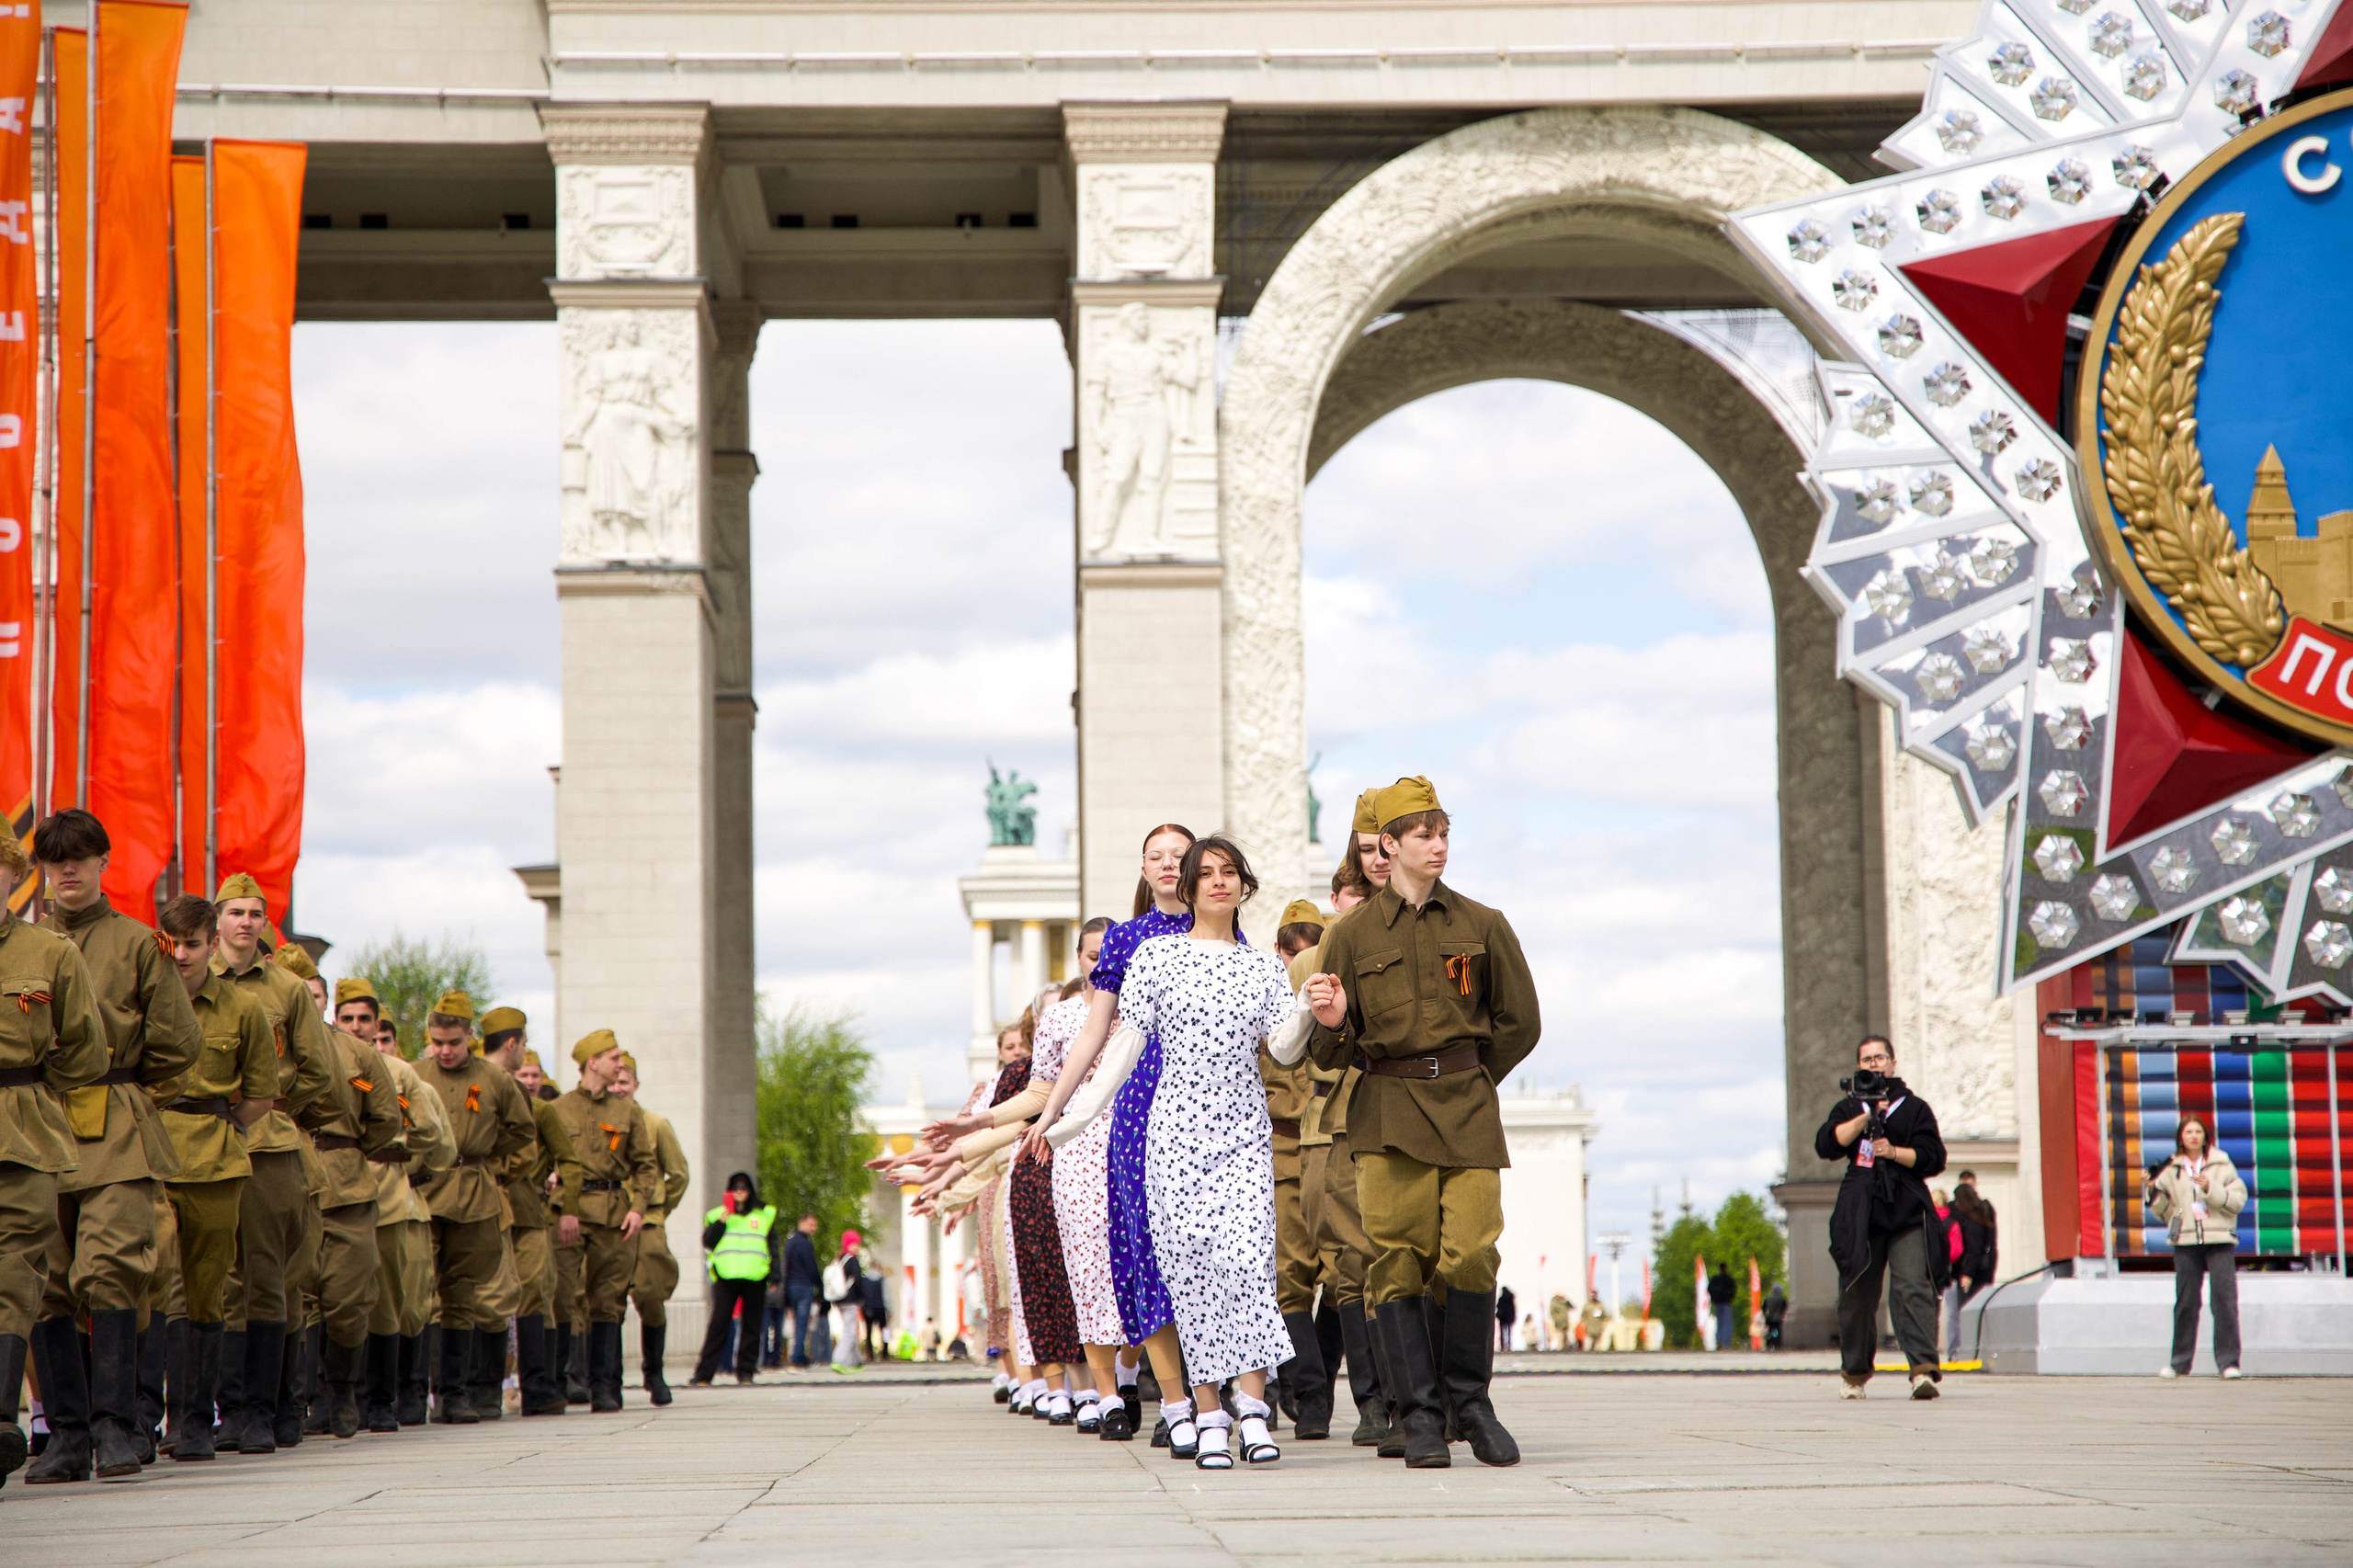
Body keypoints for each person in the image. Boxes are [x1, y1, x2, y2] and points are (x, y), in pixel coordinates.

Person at [1303, 778, 1540, 1468]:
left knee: (1471, 1250)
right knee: (1397, 1260)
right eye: (1423, 835)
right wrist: (1332, 1023)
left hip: (1466, 1108)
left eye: (1443, 834)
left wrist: (1469, 1076)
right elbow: (1328, 1050)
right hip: (1387, 1111)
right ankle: (1420, 1416)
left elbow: (1519, 1023)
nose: (1438, 846)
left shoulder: (1483, 923)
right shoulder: (1348, 936)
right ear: (1389, 845)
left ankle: (1472, 1402)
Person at [1063, 835, 1296, 1471]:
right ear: (1186, 888)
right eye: (1206, 873)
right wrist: (1077, 1113)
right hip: (1174, 1136)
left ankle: (1252, 1410)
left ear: (1243, 885)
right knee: (1189, 1270)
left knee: (1247, 1264)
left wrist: (1312, 1011)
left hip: (1243, 1131)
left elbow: (1285, 1048)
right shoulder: (1156, 957)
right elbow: (1124, 1045)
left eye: (1229, 873)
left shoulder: (1262, 964)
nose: (1218, 882)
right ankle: (1208, 1413)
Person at [24, 811, 201, 1482]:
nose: (68, 870)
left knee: (108, 1269)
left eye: (80, 858)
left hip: (117, 1122)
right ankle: (66, 1433)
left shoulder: (137, 945)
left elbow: (177, 1045)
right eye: (55, 860)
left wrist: (128, 1088)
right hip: (38, 1123)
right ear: (41, 870)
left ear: (104, 863)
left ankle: (115, 1426)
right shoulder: (21, 947)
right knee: (44, 1281)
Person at [1019, 823, 1199, 1442]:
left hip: (1205, 1112)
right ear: (1143, 869)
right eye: (1158, 855)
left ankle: (1214, 1399)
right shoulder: (1126, 940)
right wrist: (1051, 1115)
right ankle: (1173, 1405)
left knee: (1200, 1260)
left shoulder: (1223, 931)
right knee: (1145, 1259)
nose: (1171, 864)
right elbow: (1094, 1036)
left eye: (1182, 854)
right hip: (1140, 1108)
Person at [210, 872, 337, 1455]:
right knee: (210, 1281)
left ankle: (262, 1408)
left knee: (265, 1277)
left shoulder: (286, 988)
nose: (244, 922)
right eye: (234, 912)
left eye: (254, 914)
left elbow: (318, 1071)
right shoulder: (188, 978)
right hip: (201, 1138)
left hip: (268, 1142)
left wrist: (276, 1105)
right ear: (217, 920)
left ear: (264, 923)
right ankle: (218, 1410)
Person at [0, 830, 108, 1488]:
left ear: (12, 877)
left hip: (22, 1131)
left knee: (16, 1275)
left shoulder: (50, 953)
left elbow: (86, 1053)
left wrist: (34, 1088)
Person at [268, 942, 404, 1440]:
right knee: (286, 1295)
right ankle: (292, 1399)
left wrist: (348, 1147)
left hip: (345, 1179)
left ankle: (341, 1388)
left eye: (311, 993)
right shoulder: (264, 1041)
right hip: (284, 1170)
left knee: (349, 1297)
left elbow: (384, 1118)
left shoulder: (356, 1055)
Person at [410, 991, 537, 1424]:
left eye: (454, 1043)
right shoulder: (413, 1073)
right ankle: (414, 1394)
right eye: (438, 1042)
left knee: (462, 1293)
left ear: (470, 1037)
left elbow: (522, 1130)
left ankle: (455, 1395)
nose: (445, 1051)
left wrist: (483, 1151)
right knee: (421, 1292)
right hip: (424, 1189)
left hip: (472, 1193)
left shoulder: (495, 1080)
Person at [335, 978, 453, 1431]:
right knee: (331, 1297)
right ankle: (332, 1397)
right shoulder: (322, 1062)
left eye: (366, 1019)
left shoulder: (399, 1073)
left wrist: (392, 1146)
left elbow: (431, 1135)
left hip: (384, 1194)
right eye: (348, 1018)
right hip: (333, 1189)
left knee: (388, 1300)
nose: (357, 1026)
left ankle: (383, 1400)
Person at [1816, 1033, 1949, 1401]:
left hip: (1905, 1208)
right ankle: (1855, 1373)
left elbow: (1933, 1157)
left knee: (1911, 1287)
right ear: (1858, 1066)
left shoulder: (1914, 1107)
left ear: (1892, 1063)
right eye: (1866, 1059)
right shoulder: (1849, 1108)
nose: (1873, 1064)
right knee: (1856, 1293)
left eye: (1879, 1058)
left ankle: (1923, 1371)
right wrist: (1866, 1116)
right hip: (1862, 1211)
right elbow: (1826, 1144)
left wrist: (1893, 1151)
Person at [550, 1030, 660, 1410]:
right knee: (563, 1296)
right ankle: (559, 1382)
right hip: (569, 1211)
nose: (620, 1063)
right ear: (592, 1062)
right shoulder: (559, 1109)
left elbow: (647, 1167)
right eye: (613, 1057)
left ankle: (605, 1387)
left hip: (615, 1213)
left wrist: (638, 1207)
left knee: (608, 1301)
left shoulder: (628, 1111)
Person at [482, 1008, 581, 1417]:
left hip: (525, 1207)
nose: (529, 1078)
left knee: (534, 1293)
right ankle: (479, 1387)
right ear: (512, 1045)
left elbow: (567, 1160)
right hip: (477, 1201)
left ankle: (538, 1384)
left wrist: (565, 1207)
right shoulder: (474, 1088)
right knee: (480, 1294)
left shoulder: (539, 1110)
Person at [1267, 898, 1331, 1438]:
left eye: (1309, 952)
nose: (1300, 964)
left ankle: (1327, 1383)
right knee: (1291, 1278)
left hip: (1334, 1148)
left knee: (1342, 1275)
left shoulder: (1333, 998)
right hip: (1284, 1151)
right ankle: (1308, 1394)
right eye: (1293, 953)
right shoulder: (1266, 1003)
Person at [609, 1053, 688, 1405]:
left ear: (636, 1085)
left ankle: (653, 1372)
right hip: (608, 1221)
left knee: (650, 1296)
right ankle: (607, 1378)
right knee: (605, 1301)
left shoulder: (656, 1124)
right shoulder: (601, 1125)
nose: (617, 1088)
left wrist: (659, 1209)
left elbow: (679, 1174)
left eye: (624, 1082)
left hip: (648, 1224)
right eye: (613, 1082)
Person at [2148, 1113, 2247, 1380]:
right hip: (2186, 1240)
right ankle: (2179, 1363)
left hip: (2219, 1239)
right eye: (2188, 1132)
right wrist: (2153, 1194)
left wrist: (2209, 1188)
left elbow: (2237, 1200)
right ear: (2181, 1137)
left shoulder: (2222, 1164)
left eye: (2198, 1132)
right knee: (2186, 1303)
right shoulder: (2172, 1169)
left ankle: (2229, 1363)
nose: (2193, 1136)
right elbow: (2166, 1212)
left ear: (2205, 1137)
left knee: (2224, 1301)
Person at [691, 1171, 775, 1386]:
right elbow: (708, 1242)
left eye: (744, 1188)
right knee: (718, 1324)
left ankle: (746, 1371)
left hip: (755, 1276)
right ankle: (704, 1373)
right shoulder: (717, 1215)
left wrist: (776, 1273)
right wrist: (721, 1222)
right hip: (726, 1277)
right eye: (735, 1189)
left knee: (752, 1325)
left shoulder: (763, 1214)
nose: (739, 1193)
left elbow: (773, 1244)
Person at [1949, 1181, 1997, 1357]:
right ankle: (1976, 1349)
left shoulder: (1972, 1220)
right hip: (1985, 1271)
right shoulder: (1984, 1212)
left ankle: (1970, 1350)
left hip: (1972, 1273)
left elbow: (1973, 1249)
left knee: (1965, 1311)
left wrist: (1967, 1274)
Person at [782, 1213, 821, 1368]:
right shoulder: (805, 1243)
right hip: (803, 1286)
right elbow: (811, 1267)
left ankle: (797, 1354)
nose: (814, 1228)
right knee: (802, 1323)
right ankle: (798, 1356)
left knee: (796, 1322)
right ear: (802, 1223)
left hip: (791, 1286)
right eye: (811, 1224)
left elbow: (786, 1266)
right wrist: (819, 1284)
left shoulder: (790, 1242)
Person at [1705, 1267, 1735, 1352]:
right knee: (1727, 1322)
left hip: (1717, 1303)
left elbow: (1709, 1289)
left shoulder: (1715, 1279)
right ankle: (1726, 1342)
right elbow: (1734, 1289)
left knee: (1720, 1322)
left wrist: (1714, 1298)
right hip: (1726, 1303)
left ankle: (1719, 1341)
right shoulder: (1728, 1279)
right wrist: (1730, 1297)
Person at [1762, 1281, 1788, 1350]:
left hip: (1769, 1318)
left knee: (1770, 1331)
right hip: (1778, 1318)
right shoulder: (1782, 1299)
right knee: (1778, 1331)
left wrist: (1765, 1315)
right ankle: (1777, 1344)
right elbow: (1784, 1308)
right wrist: (1782, 1314)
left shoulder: (1768, 1298)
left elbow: (1764, 1308)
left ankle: (1769, 1343)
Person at [1496, 1284, 1518, 1353]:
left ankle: (1503, 1346)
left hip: (1502, 1317)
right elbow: (1513, 1309)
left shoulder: (1501, 1298)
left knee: (1502, 1333)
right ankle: (1509, 1346)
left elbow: (1498, 1306)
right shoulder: (1511, 1298)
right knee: (1509, 1332)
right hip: (1509, 1317)